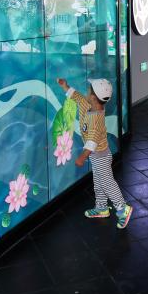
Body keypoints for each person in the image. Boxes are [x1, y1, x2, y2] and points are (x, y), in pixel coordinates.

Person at [56, 76, 133, 229]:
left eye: (89, 90)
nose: (87, 91)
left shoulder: (96, 119)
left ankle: (122, 208)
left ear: (92, 97)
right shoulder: (88, 105)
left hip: (101, 155)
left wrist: (82, 157)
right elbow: (77, 97)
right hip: (96, 156)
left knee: (107, 182)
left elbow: (92, 142)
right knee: (98, 183)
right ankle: (101, 208)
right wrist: (65, 86)